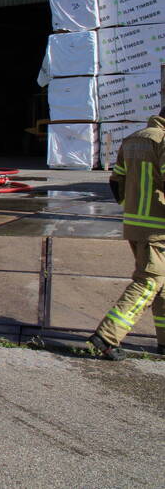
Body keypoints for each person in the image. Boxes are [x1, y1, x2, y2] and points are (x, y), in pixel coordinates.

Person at [88, 113, 165, 359]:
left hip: (136, 224)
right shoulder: (162, 140)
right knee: (149, 281)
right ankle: (107, 336)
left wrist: (132, 207)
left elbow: (115, 181)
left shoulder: (133, 139)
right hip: (158, 227)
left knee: (162, 284)